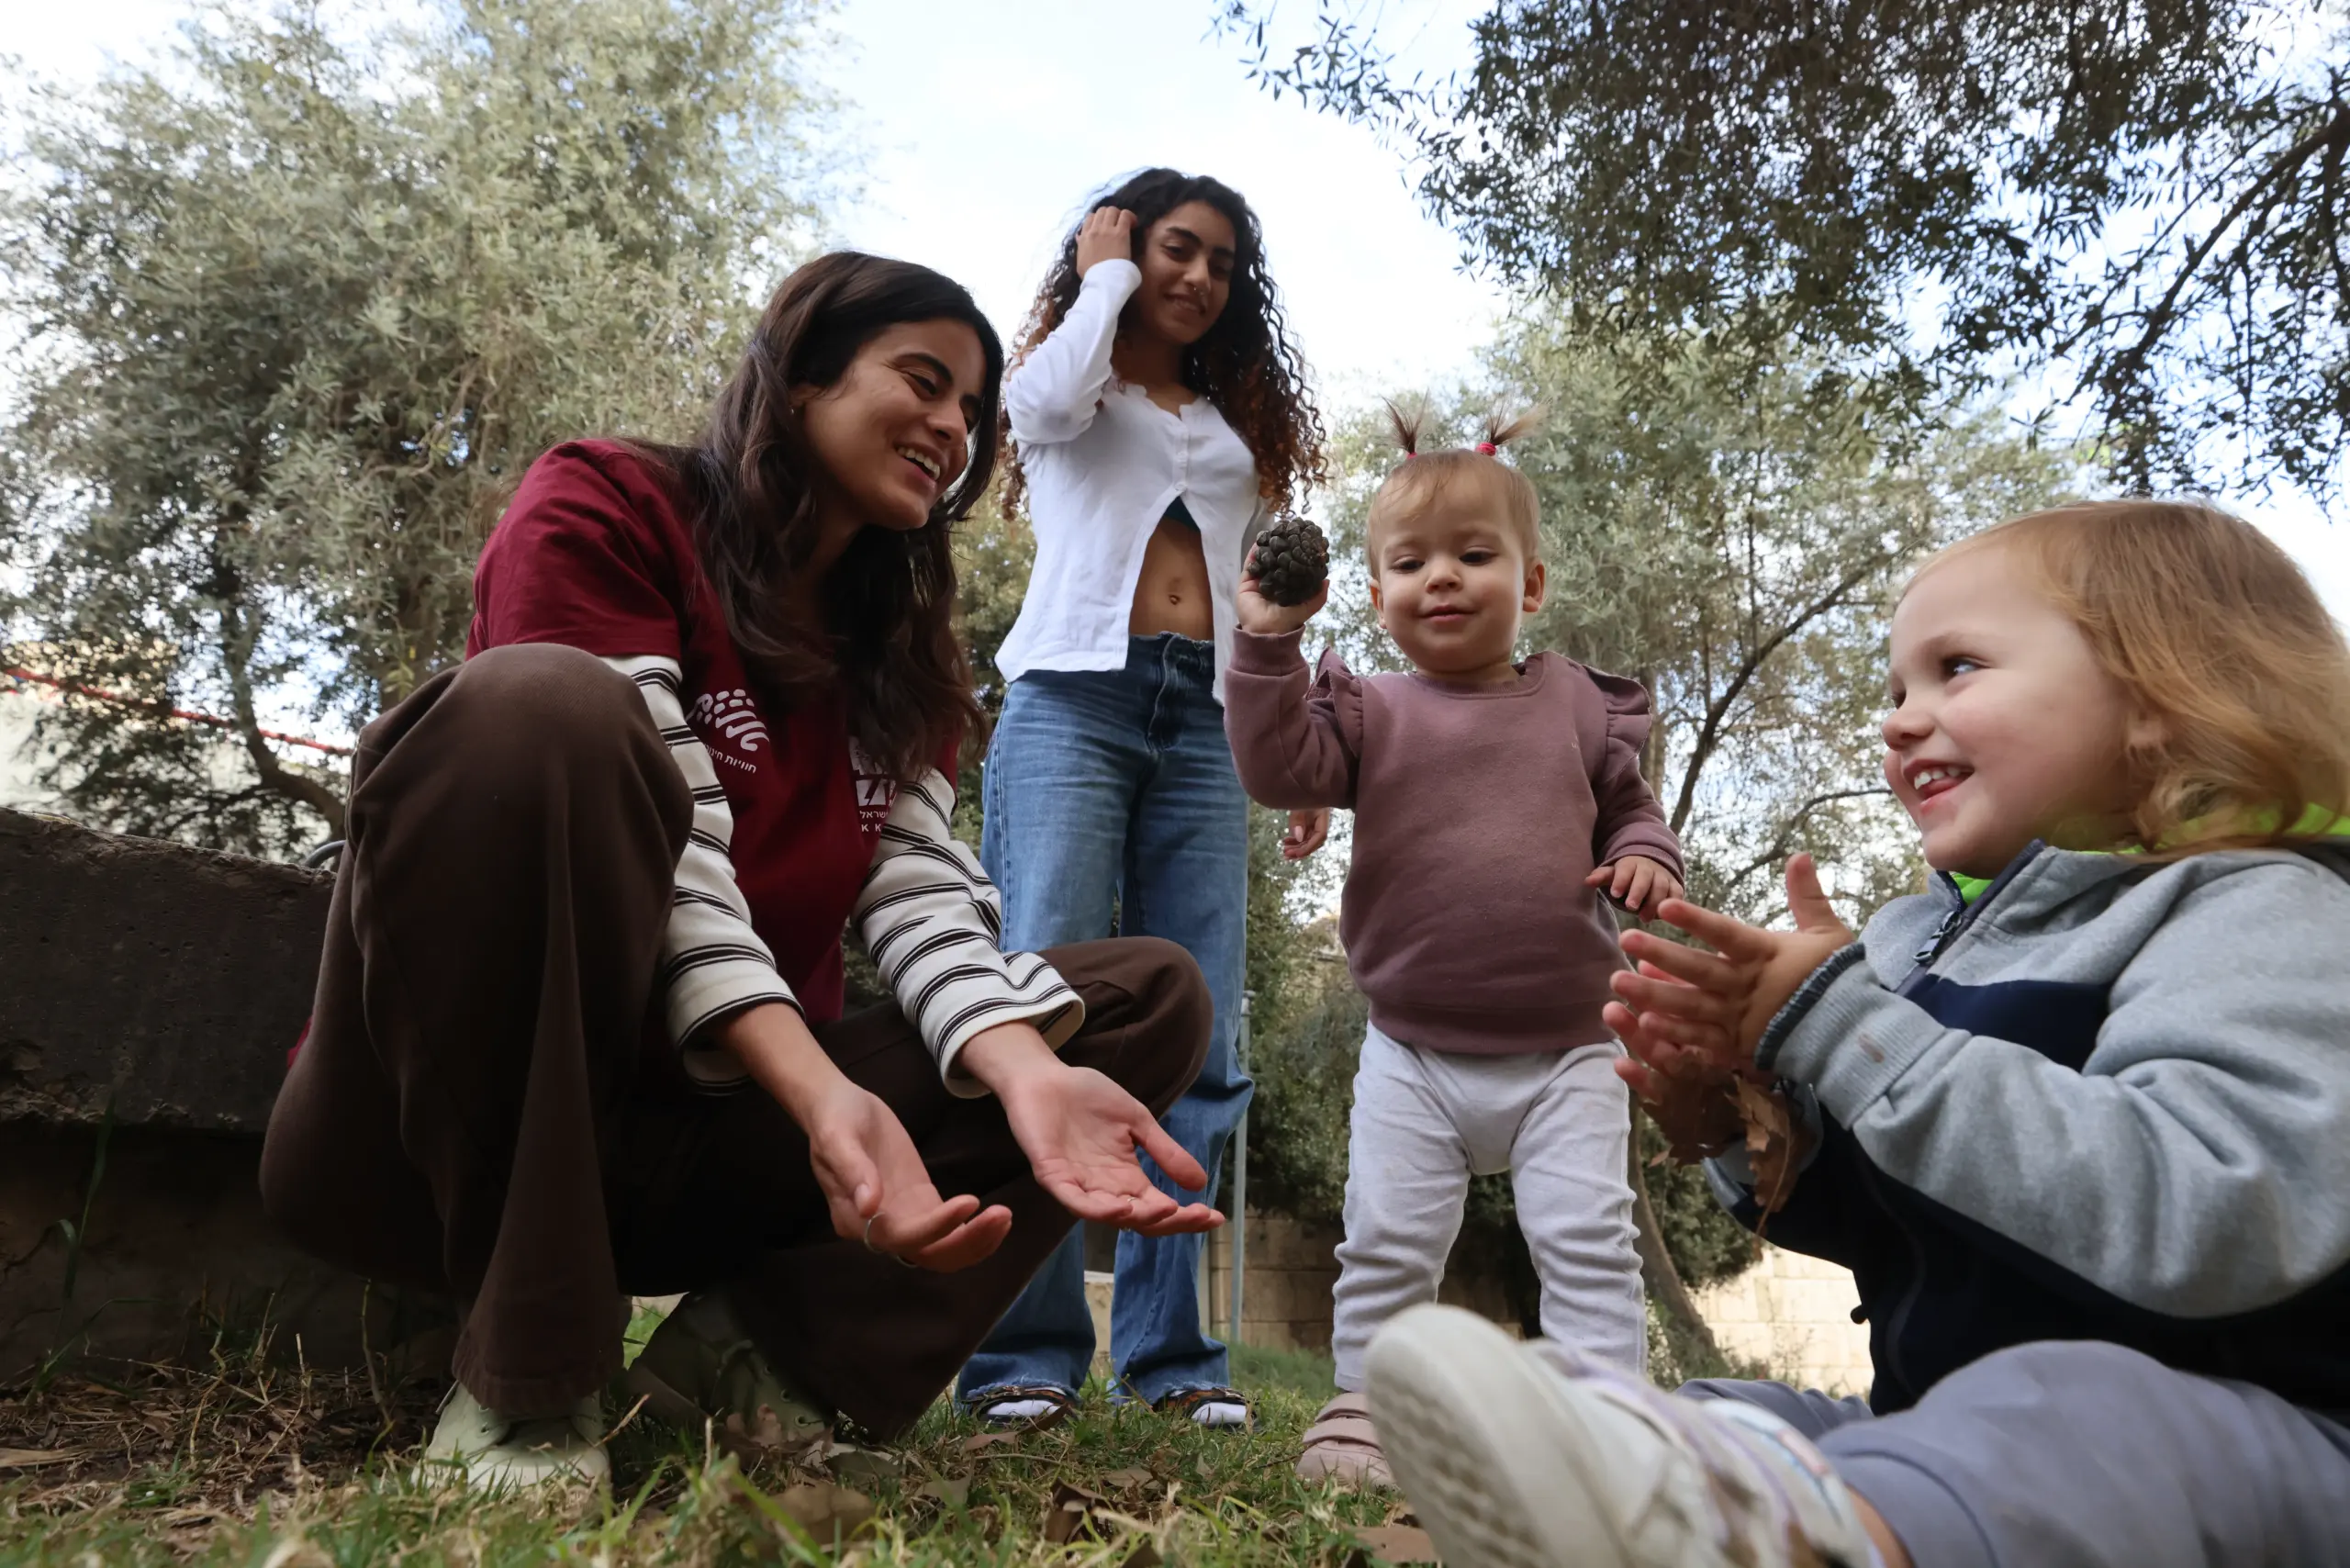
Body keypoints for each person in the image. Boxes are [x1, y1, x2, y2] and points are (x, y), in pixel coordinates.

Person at [259, 252, 1225, 1492]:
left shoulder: (902, 659)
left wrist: (1026, 1069)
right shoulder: (605, 503)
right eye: (923, 380)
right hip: (423, 1140)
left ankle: (752, 1375)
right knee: (539, 705)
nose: (955, 428)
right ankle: (527, 1380)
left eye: (975, 410)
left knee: (1142, 996)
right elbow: (682, 862)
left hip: (686, 1162)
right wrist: (822, 1096)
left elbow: (924, 898)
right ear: (802, 372)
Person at [1360, 499, 2350, 1568]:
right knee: (1730, 1412)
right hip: (1949, 1421)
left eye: (1956, 668)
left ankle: (1767, 1536)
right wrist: (1742, 1111)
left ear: (2159, 692)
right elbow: (1902, 1216)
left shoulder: (2261, 906)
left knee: (2066, 1412)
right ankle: (1621, 1481)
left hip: (2249, 1443)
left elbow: (2208, 1212)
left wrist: (1842, 1026)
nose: (1899, 721)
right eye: (1894, 691)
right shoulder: (1930, 939)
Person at [1223, 409, 1684, 1488]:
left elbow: (1630, 808)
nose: (1441, 577)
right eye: (1410, 562)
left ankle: (1603, 1420)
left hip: (1569, 1048)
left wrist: (1645, 856)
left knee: (1585, 1240)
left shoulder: (1578, 707)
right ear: (1376, 593)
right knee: (1386, 1240)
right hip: (1413, 1050)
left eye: (1474, 556)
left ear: (1531, 584)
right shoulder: (1368, 713)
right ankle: (1370, 1409)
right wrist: (1266, 641)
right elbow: (1275, 765)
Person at [955, 169, 1327, 1430]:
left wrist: (1294, 737)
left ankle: (1174, 1361)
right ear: (1122, 245)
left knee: (1203, 1033)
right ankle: (1022, 1355)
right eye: (1178, 247)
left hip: (1209, 724)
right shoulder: (1074, 383)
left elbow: (1252, 596)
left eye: (1222, 262)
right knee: (1038, 1004)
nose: (1200, 277)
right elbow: (1033, 404)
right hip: (1075, 699)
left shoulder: (1229, 429)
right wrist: (1101, 274)